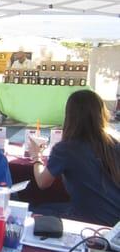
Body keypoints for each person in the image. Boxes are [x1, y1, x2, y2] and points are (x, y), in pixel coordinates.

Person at [29, 90, 120, 226]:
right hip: (115, 218)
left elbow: (43, 182)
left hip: (89, 220)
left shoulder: (67, 149)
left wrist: (36, 156)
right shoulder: (114, 141)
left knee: (31, 210)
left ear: (70, 116)